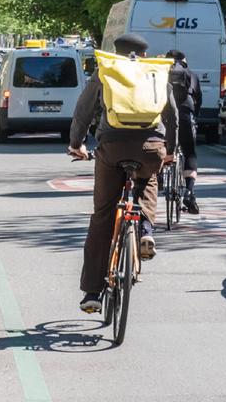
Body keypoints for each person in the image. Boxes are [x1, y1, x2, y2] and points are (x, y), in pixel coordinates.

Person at [69, 33, 176, 314]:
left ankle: (92, 291)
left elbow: (84, 110)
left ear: (116, 50)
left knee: (103, 215)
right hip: (151, 147)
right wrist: (169, 151)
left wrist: (76, 142)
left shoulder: (106, 70)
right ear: (143, 52)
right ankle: (145, 229)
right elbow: (173, 115)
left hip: (112, 147)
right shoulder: (155, 72)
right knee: (148, 178)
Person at [166, 49, 203, 215]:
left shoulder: (160, 74)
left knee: (160, 147)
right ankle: (189, 191)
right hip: (185, 115)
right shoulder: (192, 75)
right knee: (189, 153)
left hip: (165, 116)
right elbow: (198, 100)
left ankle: (159, 176)